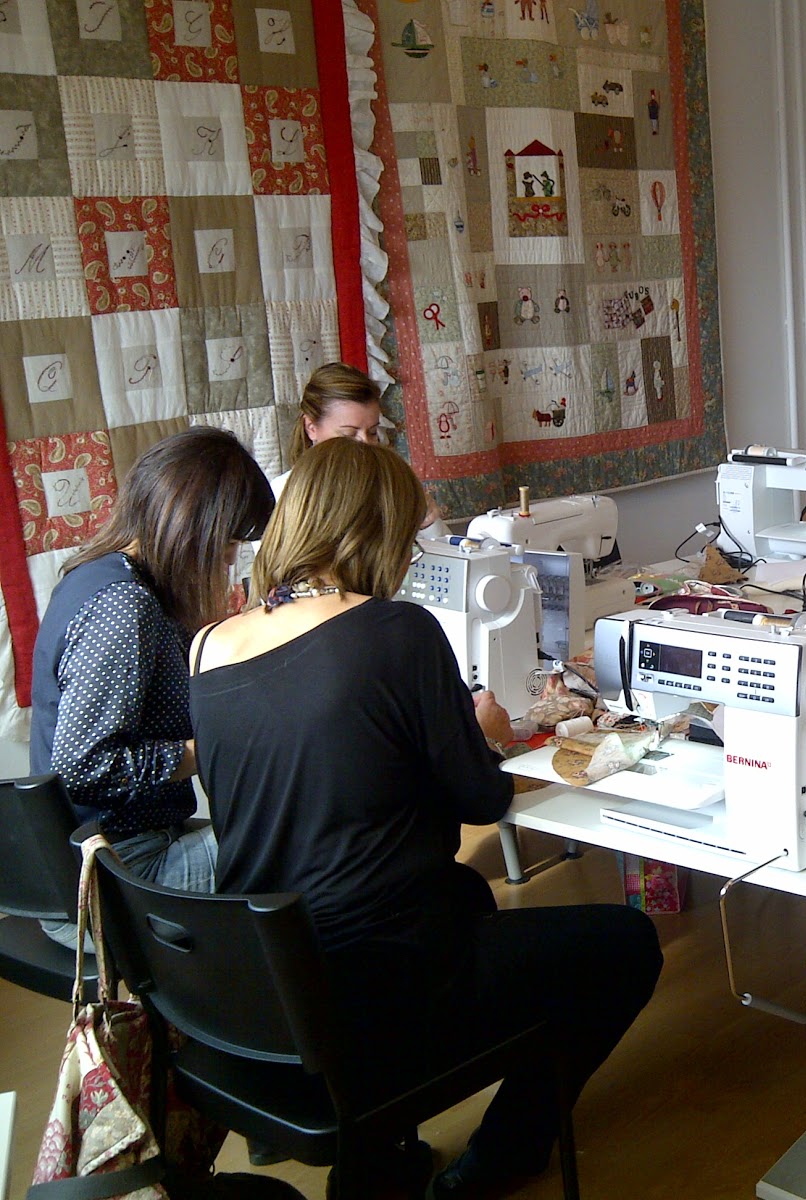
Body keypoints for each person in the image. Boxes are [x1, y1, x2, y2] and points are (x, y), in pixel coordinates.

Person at [188, 437, 662, 1198]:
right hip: (384, 983)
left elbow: (311, 778)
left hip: (267, 986)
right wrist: (485, 735)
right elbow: (483, 800)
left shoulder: (210, 645)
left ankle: (378, 1162)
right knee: (627, 944)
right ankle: (501, 1156)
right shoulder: (395, 630)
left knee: (465, 903)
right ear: (375, 531)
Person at [30, 428, 274, 905]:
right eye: (230, 540)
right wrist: (212, 749)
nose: (231, 558)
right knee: (318, 831)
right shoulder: (123, 605)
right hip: (120, 871)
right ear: (193, 528)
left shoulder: (97, 575)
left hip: (118, 854)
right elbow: (83, 766)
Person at [278, 362, 448, 536]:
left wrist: (428, 521)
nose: (365, 444)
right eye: (349, 434)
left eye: (373, 432)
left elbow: (447, 548)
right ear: (311, 428)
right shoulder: (283, 493)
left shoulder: (392, 485)